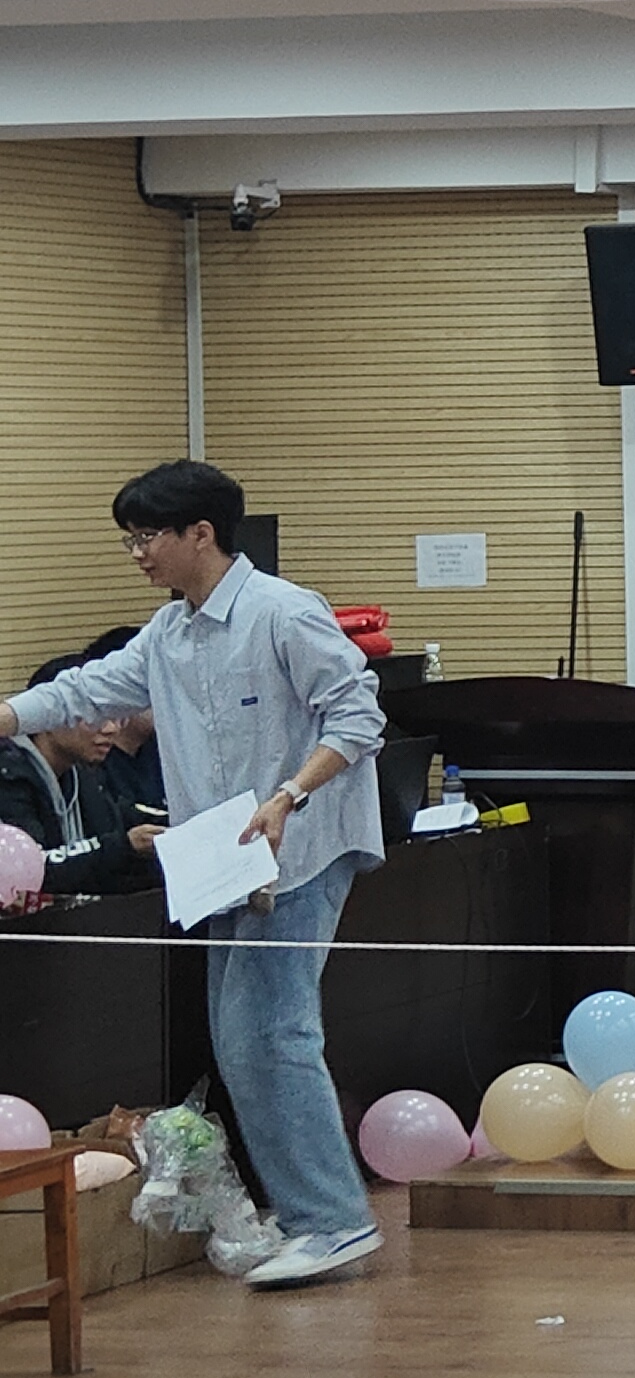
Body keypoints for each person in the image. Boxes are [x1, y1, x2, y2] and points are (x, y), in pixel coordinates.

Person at [0, 460, 392, 1286]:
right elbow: (86, 690)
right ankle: (312, 1212)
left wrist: (289, 794)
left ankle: (333, 1221)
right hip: (224, 859)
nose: (137, 553)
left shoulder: (283, 612)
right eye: (130, 539)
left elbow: (359, 714)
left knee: (274, 1034)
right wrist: (7, 715)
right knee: (239, 1040)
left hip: (301, 850)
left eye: (147, 536)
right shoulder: (168, 633)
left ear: (200, 534)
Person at [2, 685, 163, 897]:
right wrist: (125, 847)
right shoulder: (8, 778)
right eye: (95, 716)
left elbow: (122, 819)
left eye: (118, 718)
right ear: (44, 717)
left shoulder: (83, 773)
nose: (111, 729)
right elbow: (34, 873)